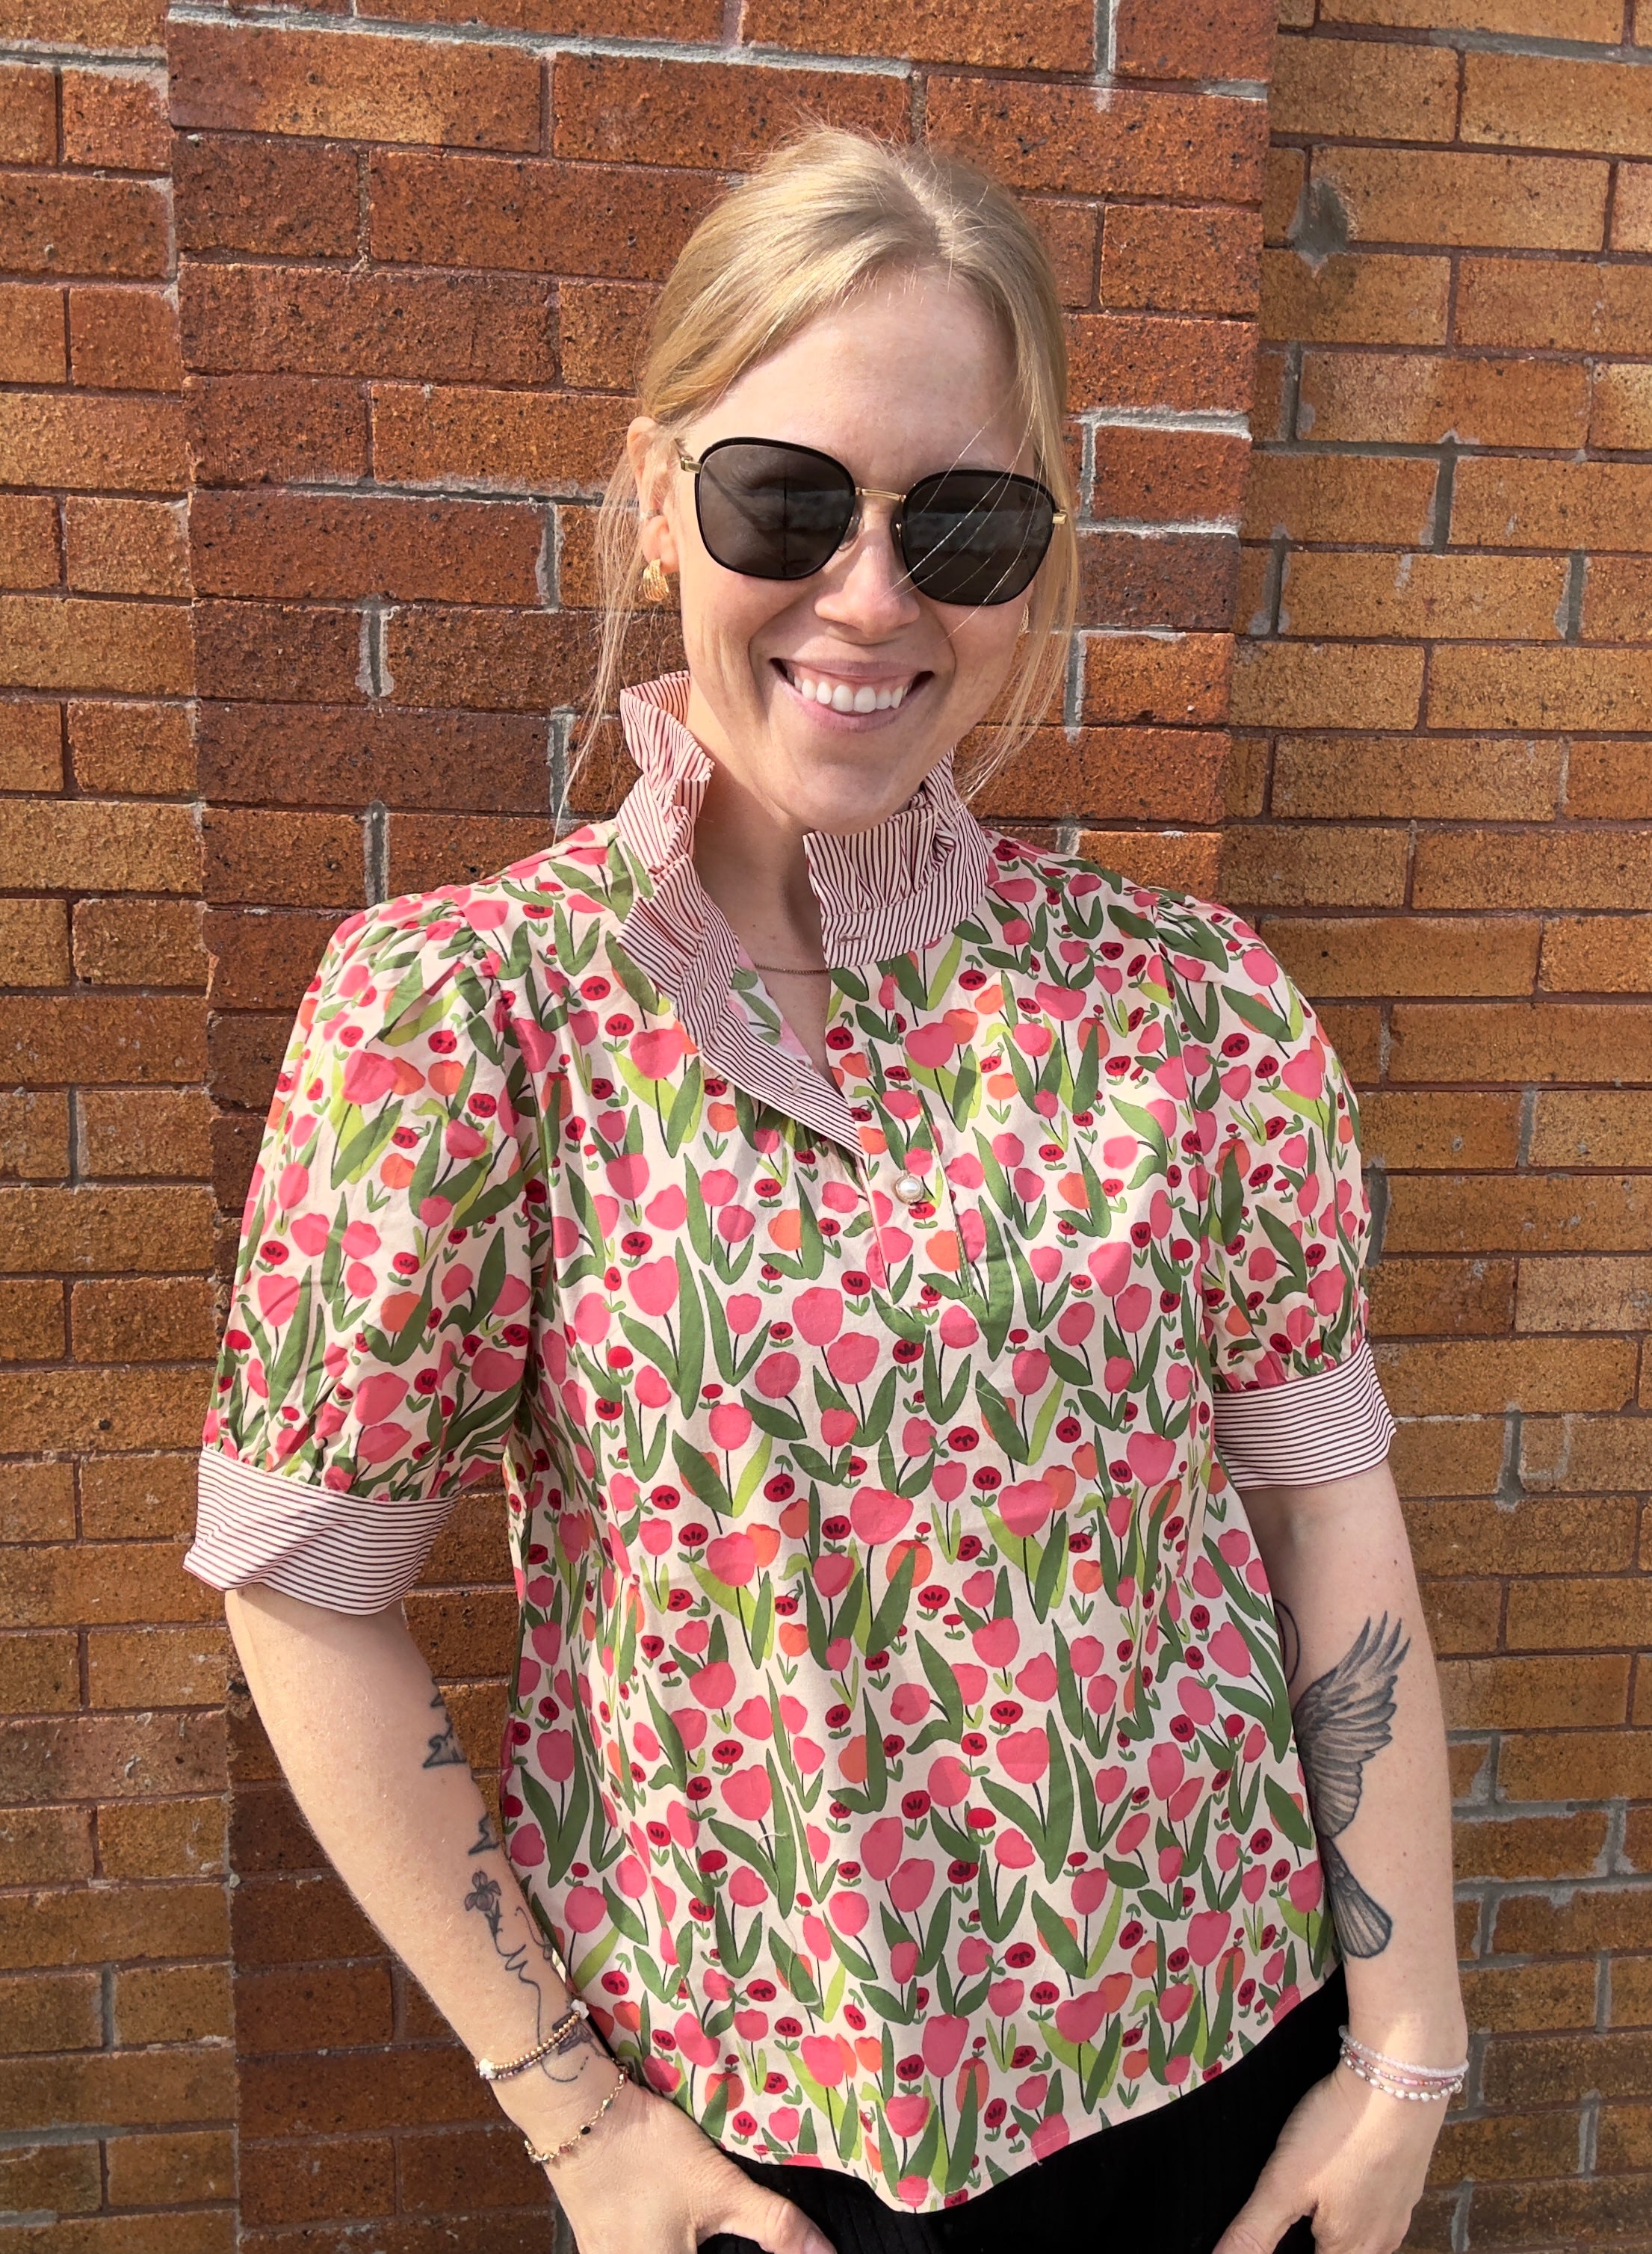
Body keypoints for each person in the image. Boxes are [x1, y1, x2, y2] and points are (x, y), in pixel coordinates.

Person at [186, 129, 1466, 2254]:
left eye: (961, 523)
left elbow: (1327, 1512)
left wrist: (1406, 2040)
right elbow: (303, 1579)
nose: (871, 598)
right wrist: (575, 2119)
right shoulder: (465, 1017)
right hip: (754, 2145)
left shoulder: (1188, 1002)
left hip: (1226, 2073)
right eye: (786, 502)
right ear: (653, 500)